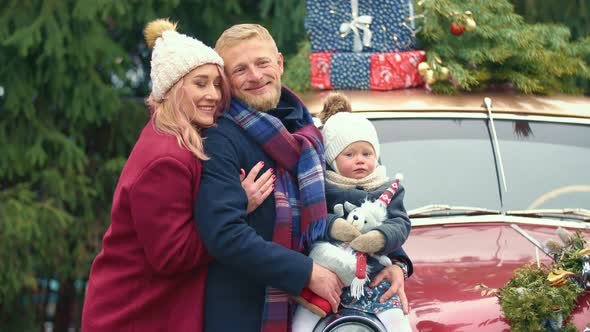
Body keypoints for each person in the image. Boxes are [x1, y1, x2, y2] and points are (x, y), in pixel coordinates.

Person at [194, 23, 412, 331]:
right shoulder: (219, 141)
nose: (255, 76)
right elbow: (223, 235)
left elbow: (360, 195)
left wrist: (397, 262)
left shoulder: (306, 130)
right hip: (248, 313)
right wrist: (306, 272)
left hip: (318, 311)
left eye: (262, 63)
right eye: (239, 69)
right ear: (225, 81)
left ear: (279, 63)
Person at [81, 19, 273, 332]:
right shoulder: (165, 158)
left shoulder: (177, 138)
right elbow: (172, 256)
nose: (213, 94)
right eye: (200, 83)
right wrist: (240, 204)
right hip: (135, 317)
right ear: (172, 89)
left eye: (216, 84)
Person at [292, 92, 412, 332]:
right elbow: (312, 219)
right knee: (300, 325)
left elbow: (400, 223)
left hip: (374, 277)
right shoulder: (322, 187)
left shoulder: (387, 189)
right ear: (332, 159)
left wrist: (380, 237)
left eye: (366, 154)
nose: (360, 161)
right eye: (350, 154)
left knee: (399, 323)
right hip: (327, 278)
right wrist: (334, 224)